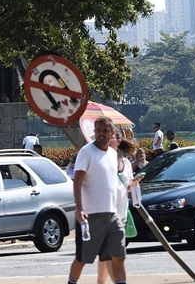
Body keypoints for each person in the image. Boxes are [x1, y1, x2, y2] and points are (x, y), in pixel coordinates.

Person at [67, 116, 127, 284]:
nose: (101, 134)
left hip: (112, 215)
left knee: (118, 256)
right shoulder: (86, 152)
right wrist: (79, 209)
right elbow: (77, 182)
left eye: (105, 130)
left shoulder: (113, 155)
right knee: (82, 259)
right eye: (98, 130)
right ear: (94, 132)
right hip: (90, 216)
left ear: (112, 132)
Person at [97, 134, 141, 284]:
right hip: (105, 214)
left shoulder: (126, 164)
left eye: (111, 137)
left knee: (107, 254)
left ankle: (101, 282)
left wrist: (134, 183)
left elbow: (125, 187)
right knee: (114, 253)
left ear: (118, 141)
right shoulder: (101, 162)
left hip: (121, 213)